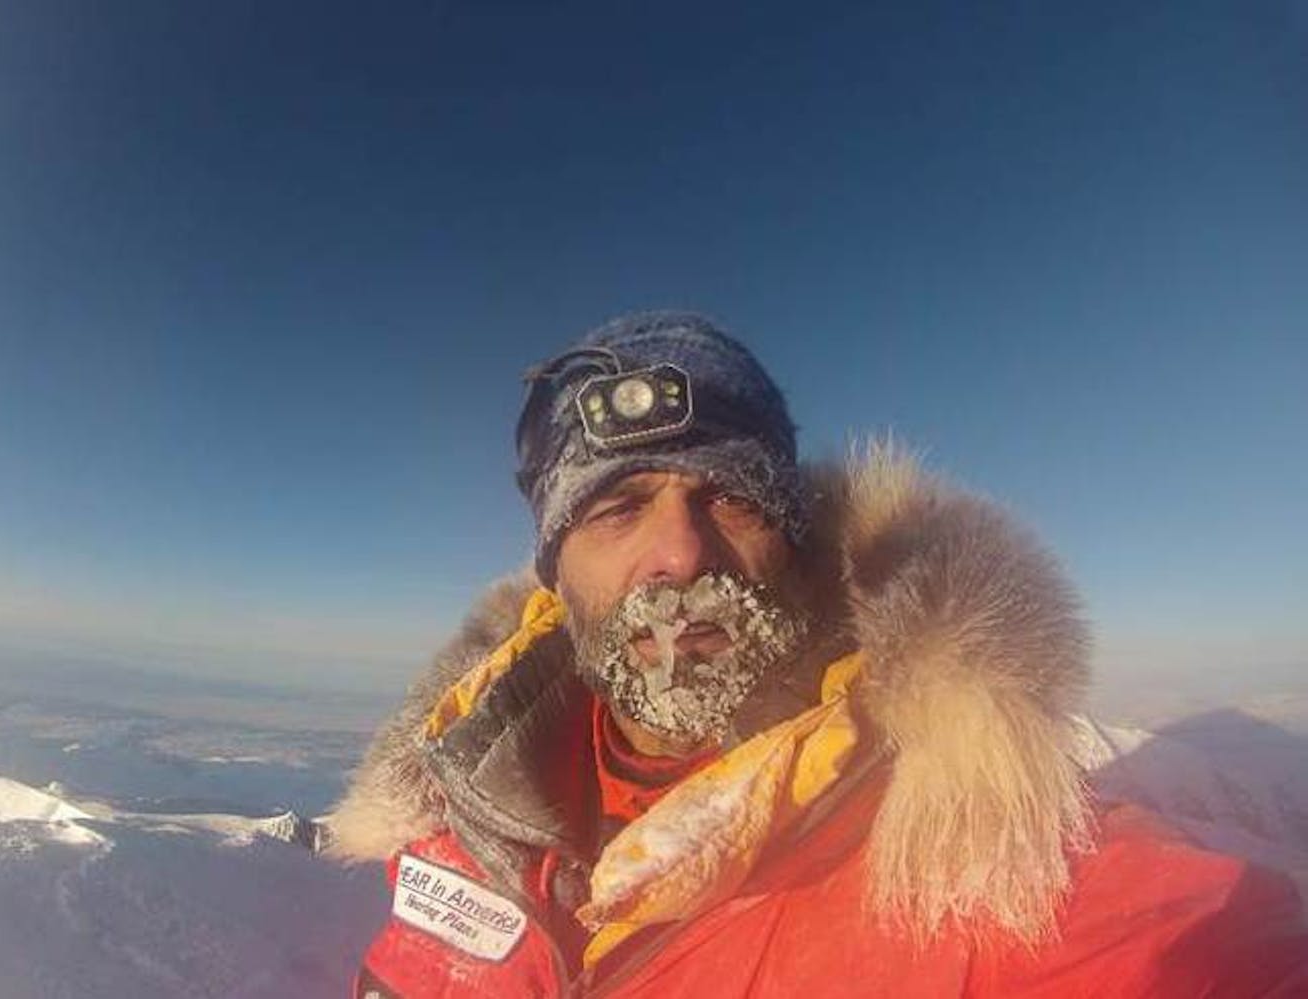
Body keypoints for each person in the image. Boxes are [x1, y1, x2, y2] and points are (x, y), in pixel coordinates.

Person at [330, 312, 1307, 997]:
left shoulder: (966, 856)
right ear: (555, 572)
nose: (677, 555)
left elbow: (1191, 944)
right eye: (616, 509)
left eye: (730, 498)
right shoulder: (458, 817)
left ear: (792, 544)